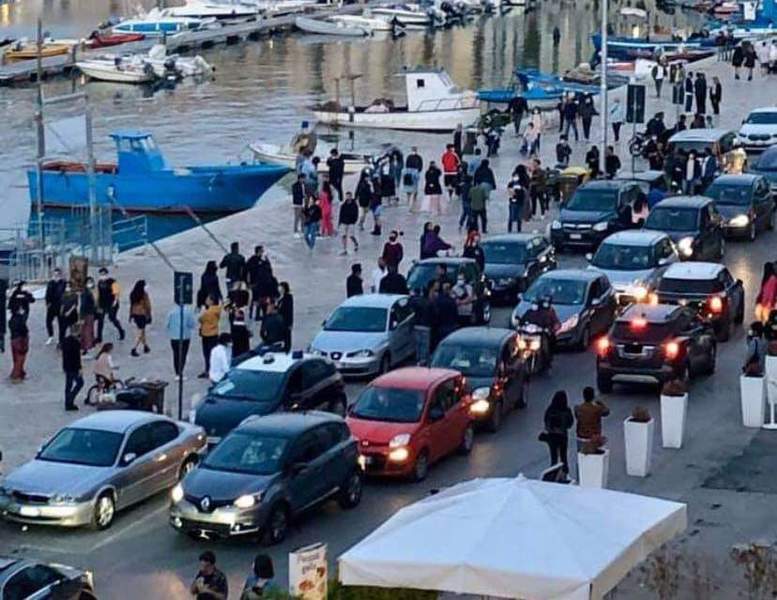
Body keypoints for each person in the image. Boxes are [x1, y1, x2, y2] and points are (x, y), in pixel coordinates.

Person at [542, 391, 574, 474]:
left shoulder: (550, 409)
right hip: (563, 436)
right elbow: (570, 423)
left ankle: (553, 473)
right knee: (564, 456)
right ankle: (565, 473)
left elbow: (546, 421)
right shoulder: (566, 410)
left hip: (552, 436)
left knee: (554, 457)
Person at [166, 302, 196, 380]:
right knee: (183, 355)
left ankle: (177, 372)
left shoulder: (171, 312)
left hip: (174, 337)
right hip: (185, 337)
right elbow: (192, 324)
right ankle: (180, 371)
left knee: (176, 355)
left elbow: (167, 324)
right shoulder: (188, 312)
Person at [246, 246, 276, 321]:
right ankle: (255, 314)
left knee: (257, 298)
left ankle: (254, 314)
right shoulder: (254, 260)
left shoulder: (258, 260)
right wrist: (248, 282)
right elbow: (247, 271)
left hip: (259, 283)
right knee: (257, 299)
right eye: (261, 251)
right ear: (258, 251)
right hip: (256, 283)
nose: (262, 252)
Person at [95, 268, 124, 343]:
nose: (102, 275)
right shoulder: (99, 282)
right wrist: (97, 303)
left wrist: (115, 302)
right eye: (101, 274)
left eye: (104, 274)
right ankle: (99, 337)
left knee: (112, 318)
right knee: (100, 320)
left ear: (107, 274)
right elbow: (99, 293)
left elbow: (116, 293)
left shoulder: (113, 282)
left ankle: (121, 331)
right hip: (102, 304)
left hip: (111, 303)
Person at [198, 295, 221, 379]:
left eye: (208, 299)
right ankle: (211, 369)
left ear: (212, 301)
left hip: (207, 333)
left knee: (207, 353)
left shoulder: (208, 312)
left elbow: (200, 319)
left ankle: (208, 370)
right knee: (212, 352)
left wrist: (203, 311)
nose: (206, 300)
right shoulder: (217, 310)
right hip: (214, 332)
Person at [409, 286, 433, 366]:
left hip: (417, 325)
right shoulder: (430, 303)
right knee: (424, 345)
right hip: (426, 326)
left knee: (418, 343)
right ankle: (423, 360)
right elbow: (434, 314)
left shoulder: (417, 301)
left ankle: (418, 358)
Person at [128, 280, 151, 357]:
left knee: (142, 331)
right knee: (140, 332)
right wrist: (149, 315)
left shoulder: (132, 294)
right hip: (142, 314)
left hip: (135, 313)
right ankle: (134, 348)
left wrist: (130, 315)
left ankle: (145, 346)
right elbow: (148, 305)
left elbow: (131, 305)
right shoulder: (144, 294)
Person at [62, 326, 83, 411]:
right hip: (74, 367)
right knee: (80, 383)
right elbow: (77, 357)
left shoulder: (65, 340)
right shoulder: (76, 343)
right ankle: (70, 400)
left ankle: (67, 402)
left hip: (67, 366)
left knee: (68, 385)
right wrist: (79, 368)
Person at [44, 268, 66, 345]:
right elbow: (47, 293)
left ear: (60, 275)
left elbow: (63, 294)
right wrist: (47, 303)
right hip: (51, 305)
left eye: (57, 274)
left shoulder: (63, 283)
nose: (56, 276)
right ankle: (51, 336)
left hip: (60, 305)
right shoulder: (50, 283)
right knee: (48, 321)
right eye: (54, 274)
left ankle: (61, 339)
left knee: (61, 323)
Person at [9, 307, 28, 383]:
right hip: (20, 340)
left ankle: (18, 373)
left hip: (13, 339)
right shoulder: (20, 319)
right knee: (20, 358)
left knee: (16, 358)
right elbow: (23, 329)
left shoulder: (11, 320)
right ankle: (16, 376)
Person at [80, 277, 97, 355]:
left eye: (91, 282)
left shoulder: (90, 292)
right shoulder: (86, 293)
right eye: (89, 282)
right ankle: (87, 347)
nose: (90, 284)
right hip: (87, 314)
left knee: (88, 330)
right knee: (87, 331)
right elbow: (83, 305)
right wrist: (82, 316)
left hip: (90, 313)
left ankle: (86, 346)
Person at [276, 282, 294, 352]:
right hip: (280, 321)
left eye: (281, 288)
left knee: (287, 336)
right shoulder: (279, 297)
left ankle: (287, 349)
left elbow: (289, 310)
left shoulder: (288, 297)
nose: (279, 289)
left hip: (286, 321)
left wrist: (290, 323)